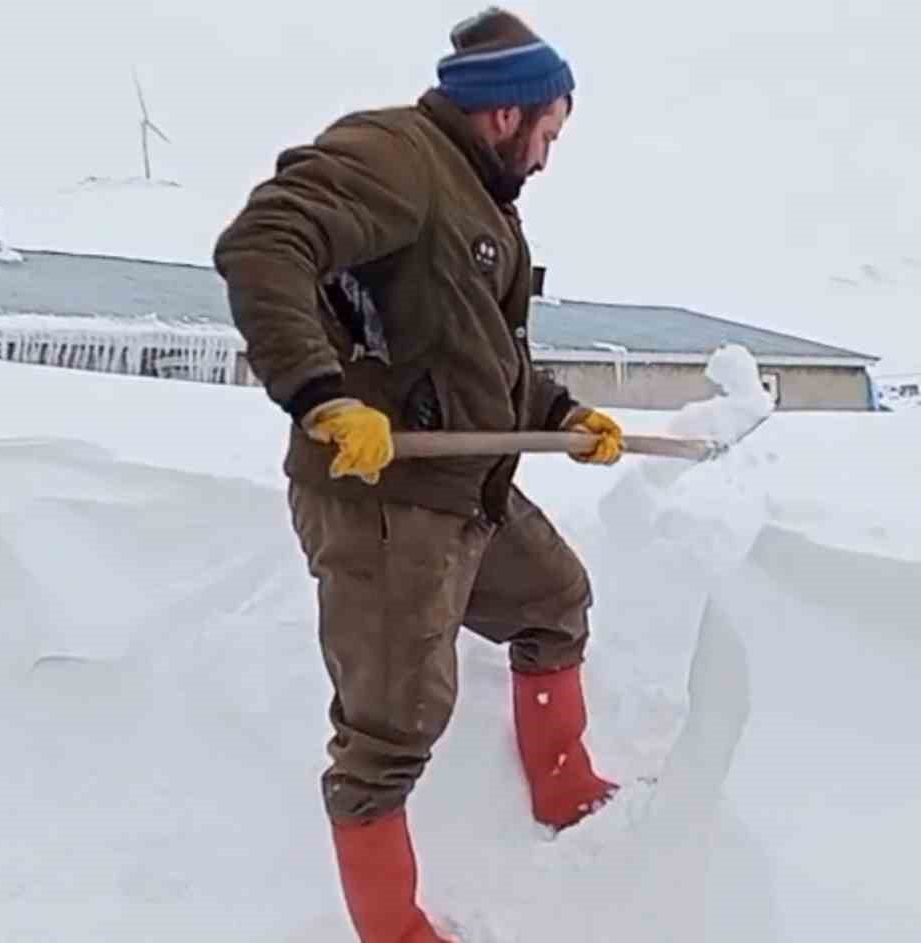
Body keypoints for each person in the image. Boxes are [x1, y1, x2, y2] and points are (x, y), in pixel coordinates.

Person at [213, 8, 622, 941]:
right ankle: (392, 927)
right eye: (549, 133)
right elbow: (264, 241)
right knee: (391, 726)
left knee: (555, 599)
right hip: (384, 499)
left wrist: (559, 414)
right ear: (506, 113)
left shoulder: (477, 202)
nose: (549, 157)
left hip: (464, 485)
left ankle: (562, 786)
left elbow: (477, 354)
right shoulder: (398, 154)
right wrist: (321, 395)